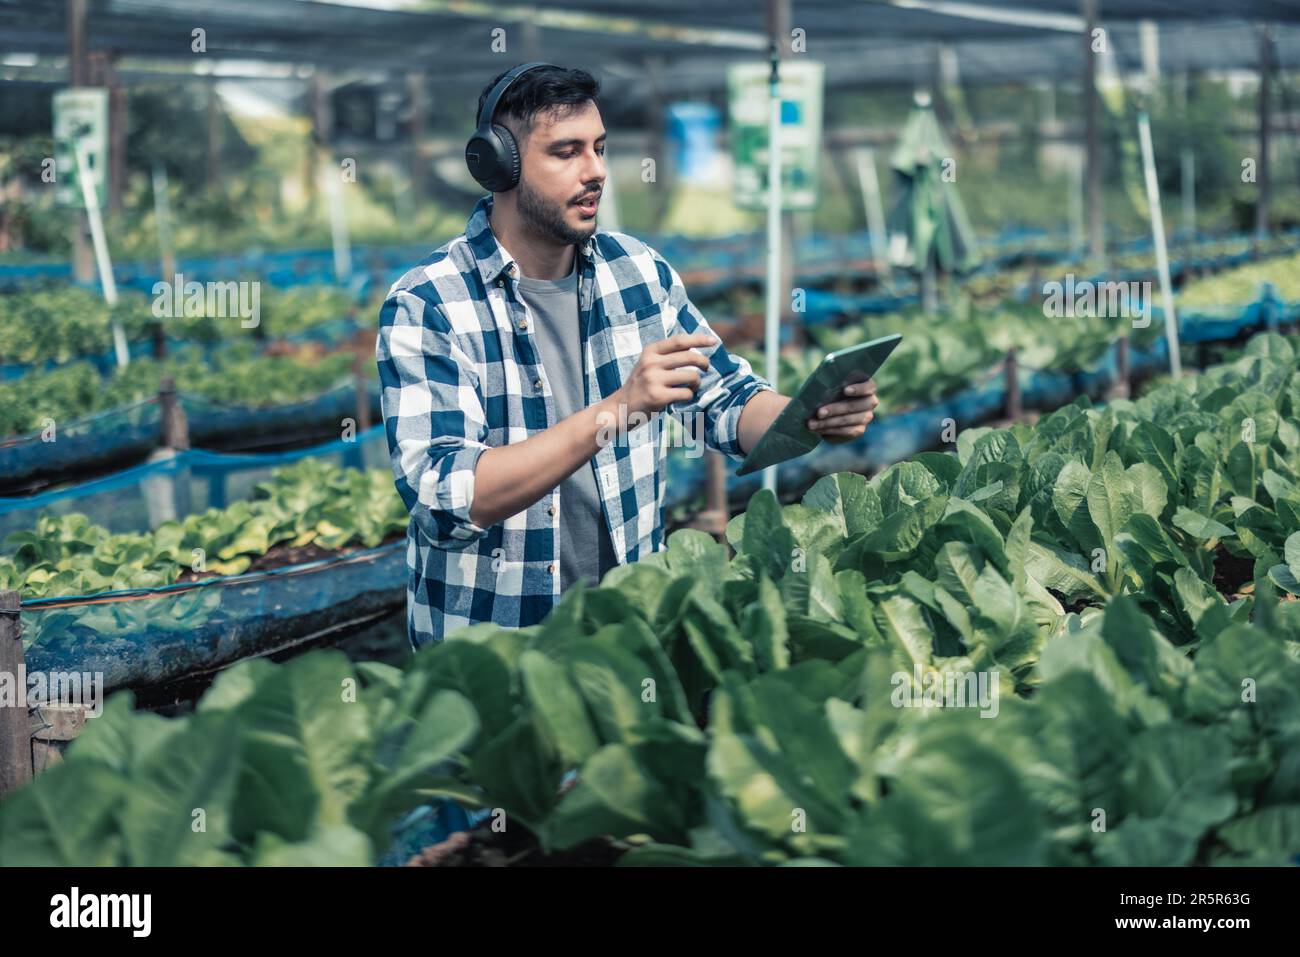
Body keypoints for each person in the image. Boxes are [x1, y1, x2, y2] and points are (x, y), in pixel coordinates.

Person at [376, 63, 879, 651]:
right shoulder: (430, 302)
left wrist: (811, 414)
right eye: (566, 152)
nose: (595, 172)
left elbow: (724, 401)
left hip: (629, 636)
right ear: (497, 165)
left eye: (600, 148)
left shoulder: (637, 273)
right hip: (491, 650)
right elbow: (446, 497)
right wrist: (618, 409)